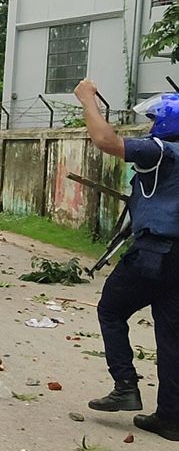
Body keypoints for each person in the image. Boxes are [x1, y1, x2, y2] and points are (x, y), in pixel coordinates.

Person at [75, 79, 179, 441]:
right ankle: (170, 417)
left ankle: (125, 386)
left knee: (110, 309)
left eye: (154, 121)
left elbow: (106, 141)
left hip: (154, 253)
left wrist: (88, 100)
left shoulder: (161, 150)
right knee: (171, 336)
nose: (150, 127)